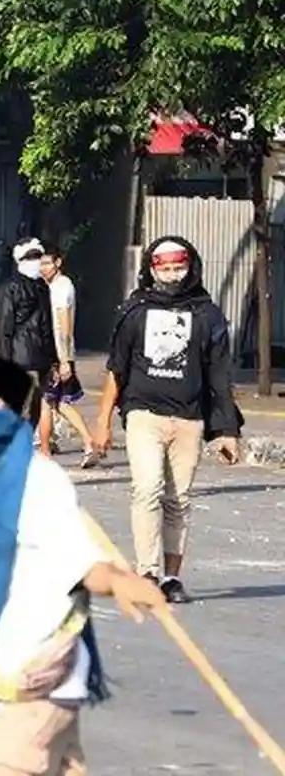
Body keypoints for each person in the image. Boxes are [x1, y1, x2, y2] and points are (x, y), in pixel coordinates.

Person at [0, 349, 166, 775]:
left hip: (38, 676)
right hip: (13, 672)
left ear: (10, 417)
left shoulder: (36, 481)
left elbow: (79, 563)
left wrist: (122, 581)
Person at [94, 236, 242, 604]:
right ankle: (146, 572)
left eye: (180, 268)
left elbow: (219, 375)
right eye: (166, 269)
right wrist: (102, 421)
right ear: (152, 269)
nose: (173, 276)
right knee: (147, 490)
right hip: (144, 413)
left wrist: (227, 431)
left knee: (179, 499)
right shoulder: (135, 311)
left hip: (189, 419)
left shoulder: (207, 314)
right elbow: (117, 368)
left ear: (191, 267)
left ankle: (171, 578)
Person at [39, 245, 101, 468]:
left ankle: (83, 442)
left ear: (58, 263)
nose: (43, 268)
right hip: (54, 353)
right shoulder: (51, 286)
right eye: (41, 263)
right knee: (56, 403)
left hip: (59, 353)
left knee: (52, 402)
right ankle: (85, 443)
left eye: (47, 263)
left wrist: (64, 359)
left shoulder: (62, 287)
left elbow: (65, 323)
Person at [0, 237, 57, 455]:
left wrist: (54, 360)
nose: (35, 261)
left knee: (35, 408)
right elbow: (5, 327)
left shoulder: (42, 286)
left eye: (38, 256)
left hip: (40, 357)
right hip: (20, 357)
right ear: (19, 260)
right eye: (30, 257)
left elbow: (48, 325)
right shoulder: (11, 287)